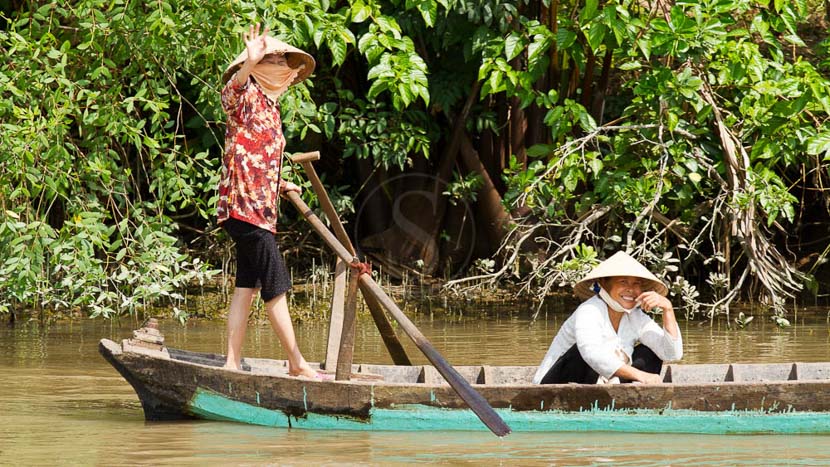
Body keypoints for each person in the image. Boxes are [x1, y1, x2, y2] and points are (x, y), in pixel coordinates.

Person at [217, 23, 320, 378]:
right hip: (244, 209)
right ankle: (296, 362)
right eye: (272, 61)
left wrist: (281, 182)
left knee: (247, 285)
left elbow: (257, 157)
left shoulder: (270, 109)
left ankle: (231, 362)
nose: (281, 68)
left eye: (280, 61)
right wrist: (249, 62)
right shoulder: (245, 97)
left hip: (259, 208)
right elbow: (230, 92)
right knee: (276, 283)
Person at [532, 251, 683, 385]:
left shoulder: (636, 317)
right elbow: (592, 354)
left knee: (650, 353)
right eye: (623, 282)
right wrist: (640, 376)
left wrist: (668, 309)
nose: (631, 289)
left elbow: (671, 353)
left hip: (602, 384)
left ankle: (620, 397)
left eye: (636, 283)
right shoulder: (589, 310)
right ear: (604, 283)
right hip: (555, 384)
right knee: (583, 352)